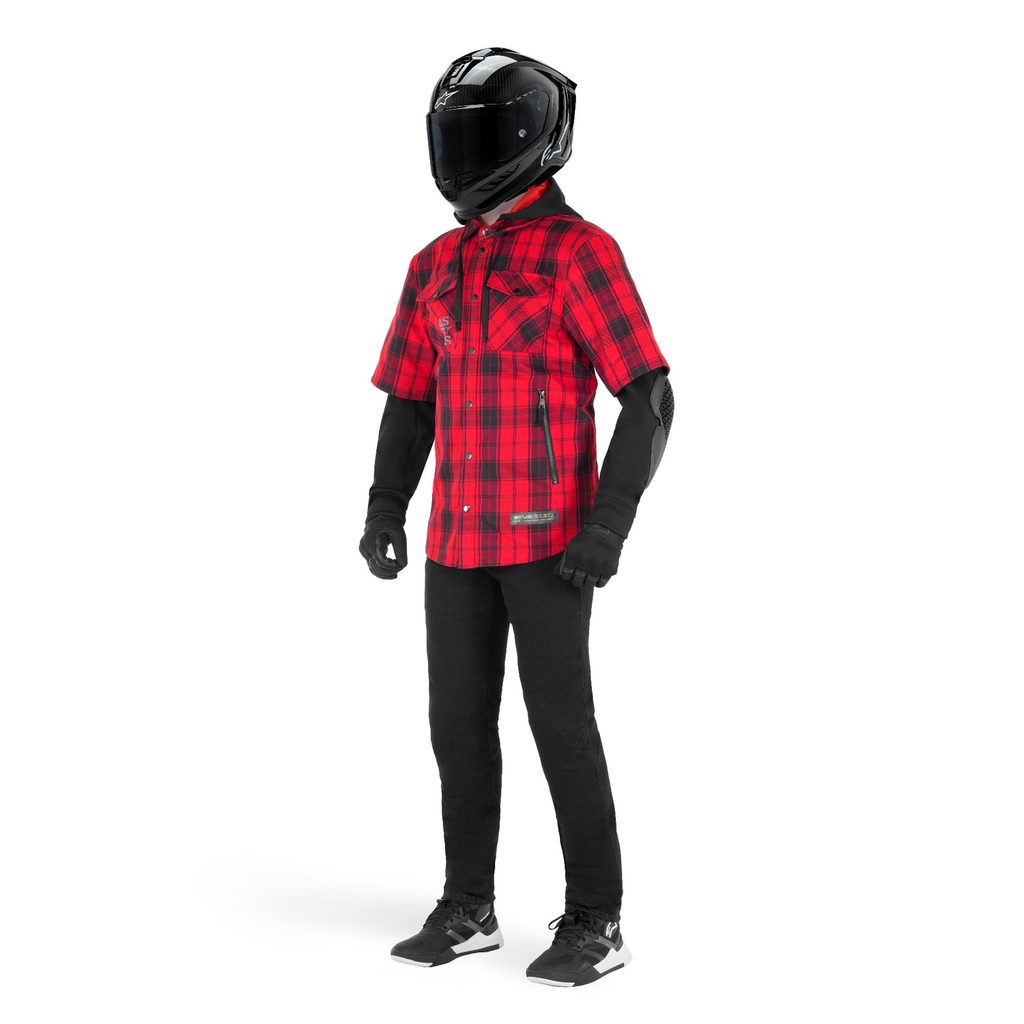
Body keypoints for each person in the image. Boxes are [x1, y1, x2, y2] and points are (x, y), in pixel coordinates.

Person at [359, 46, 673, 988]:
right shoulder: (434, 264)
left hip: (550, 546)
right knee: (456, 729)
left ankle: (596, 921)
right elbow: (410, 398)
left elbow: (649, 394)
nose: (465, 155)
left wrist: (608, 525)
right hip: (455, 544)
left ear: (535, 138)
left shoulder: (580, 253)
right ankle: (469, 907)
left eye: (484, 136)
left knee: (561, 730)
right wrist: (385, 502)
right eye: (456, 137)